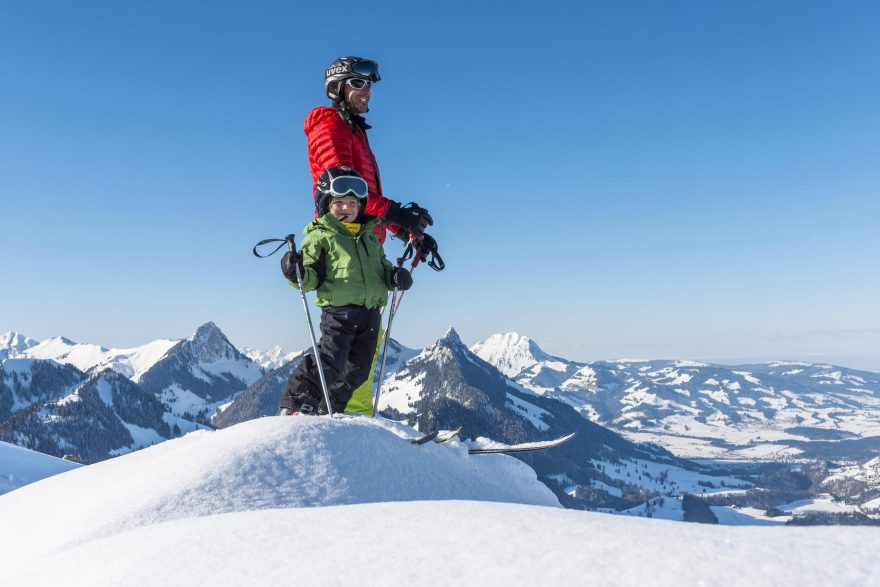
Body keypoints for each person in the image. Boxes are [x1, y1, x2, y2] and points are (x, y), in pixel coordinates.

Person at [303, 56, 438, 415]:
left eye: (370, 85)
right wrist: (396, 214)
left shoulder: (354, 131)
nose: (367, 92)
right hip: (346, 246)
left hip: (364, 243)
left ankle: (353, 422)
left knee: (365, 347)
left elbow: (364, 200)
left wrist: (406, 229)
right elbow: (345, 192)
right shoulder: (330, 127)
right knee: (344, 346)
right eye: (358, 84)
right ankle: (345, 423)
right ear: (338, 88)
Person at [278, 166, 412, 415]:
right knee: (331, 358)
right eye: (339, 203)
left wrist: (394, 277)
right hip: (339, 311)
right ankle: (297, 401)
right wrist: (294, 271)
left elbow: (382, 270)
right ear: (325, 204)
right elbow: (310, 277)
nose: (347, 208)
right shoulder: (321, 236)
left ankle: (329, 407)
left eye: (352, 203)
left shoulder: (369, 237)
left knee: (359, 368)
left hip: (371, 313)